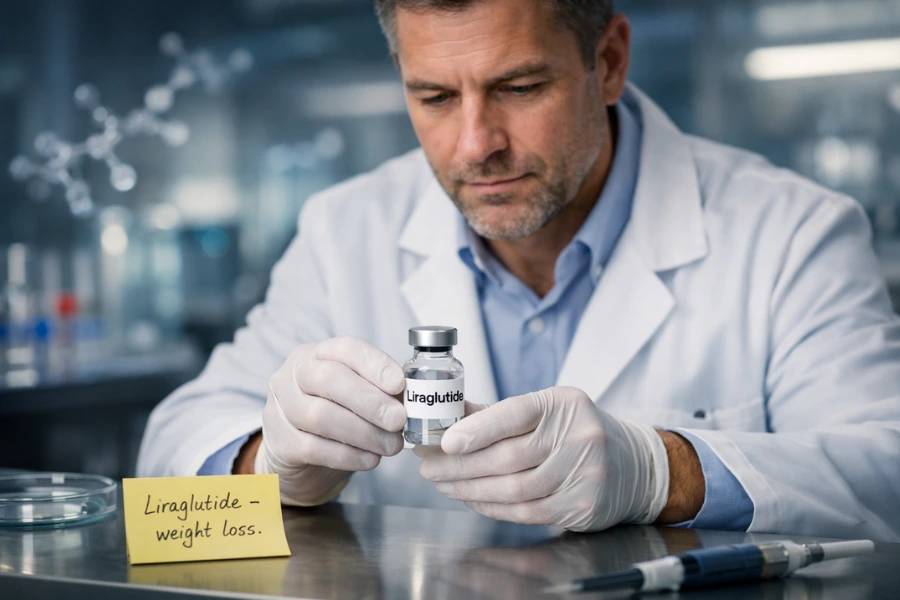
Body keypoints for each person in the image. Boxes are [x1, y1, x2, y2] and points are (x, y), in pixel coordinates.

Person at [137, 0, 900, 540]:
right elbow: (168, 455)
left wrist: (664, 473)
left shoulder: (792, 231)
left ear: (607, 61)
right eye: (434, 96)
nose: (475, 145)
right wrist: (265, 464)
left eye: (519, 88)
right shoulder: (346, 230)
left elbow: (885, 476)